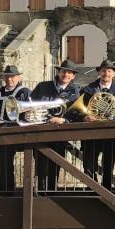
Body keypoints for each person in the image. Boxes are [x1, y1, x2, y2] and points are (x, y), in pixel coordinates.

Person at [79, 59, 115, 191]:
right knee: (89, 164)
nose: (106, 74)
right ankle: (93, 191)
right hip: (91, 134)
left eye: (109, 71)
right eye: (103, 71)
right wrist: (85, 117)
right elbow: (78, 110)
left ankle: (106, 191)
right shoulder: (87, 90)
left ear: (114, 74)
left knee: (109, 165)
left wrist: (110, 116)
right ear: (99, 72)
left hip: (111, 134)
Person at [30, 59, 80, 192]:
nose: (66, 75)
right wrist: (46, 117)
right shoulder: (43, 86)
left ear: (73, 76)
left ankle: (52, 193)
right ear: (59, 72)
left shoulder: (75, 92)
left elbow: (77, 114)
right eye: (64, 71)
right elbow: (31, 106)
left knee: (56, 165)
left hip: (60, 134)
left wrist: (63, 120)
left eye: (69, 73)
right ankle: (39, 193)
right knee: (41, 165)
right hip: (41, 132)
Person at [0, 65, 30, 197]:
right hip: (0, 132)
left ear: (18, 77)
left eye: (12, 76)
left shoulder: (25, 92)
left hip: (18, 132)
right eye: (7, 77)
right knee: (1, 163)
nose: (10, 79)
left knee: (20, 163)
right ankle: (4, 192)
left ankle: (21, 192)